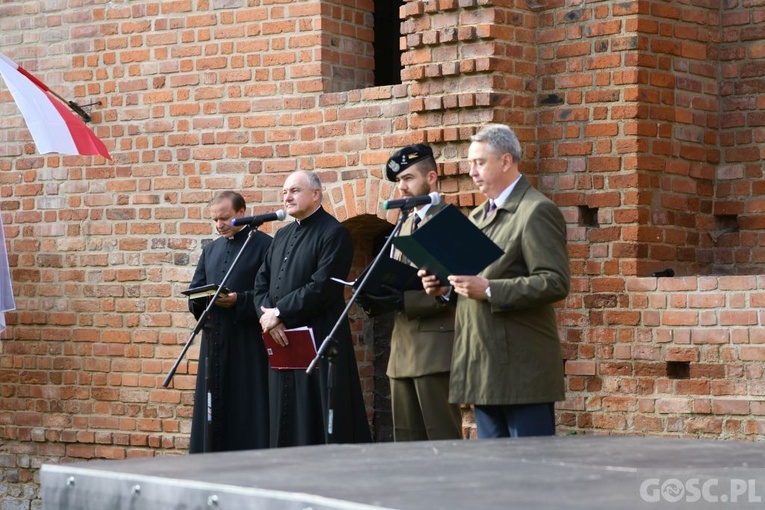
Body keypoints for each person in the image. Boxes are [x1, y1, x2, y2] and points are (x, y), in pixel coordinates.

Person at [420, 124, 570, 439]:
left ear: (505, 161)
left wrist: (488, 289)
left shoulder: (536, 211)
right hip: (484, 367)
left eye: (479, 162)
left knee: (530, 474)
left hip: (521, 371)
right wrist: (445, 288)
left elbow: (554, 281)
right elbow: (473, 280)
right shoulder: (477, 217)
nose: (471, 171)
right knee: (496, 476)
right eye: (470, 163)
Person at [254, 170, 371, 447]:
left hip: (319, 338)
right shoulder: (281, 235)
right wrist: (268, 316)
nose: (287, 197)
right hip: (280, 338)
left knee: (314, 415)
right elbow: (261, 282)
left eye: (294, 190)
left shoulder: (334, 233)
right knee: (282, 413)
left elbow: (322, 288)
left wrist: (279, 312)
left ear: (316, 194)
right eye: (284, 192)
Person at [360, 144, 462, 441]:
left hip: (436, 347)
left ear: (431, 177)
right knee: (406, 440)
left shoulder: (448, 222)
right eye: (399, 181)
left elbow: (452, 289)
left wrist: (404, 299)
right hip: (401, 348)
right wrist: (375, 294)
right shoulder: (404, 224)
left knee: (441, 437)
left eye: (409, 178)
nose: (402, 187)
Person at [187, 191, 272, 453]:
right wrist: (202, 302)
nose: (219, 225)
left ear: (241, 212)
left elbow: (270, 293)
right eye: (214, 220)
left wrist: (240, 301)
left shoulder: (265, 245)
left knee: (245, 404)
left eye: (224, 218)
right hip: (214, 339)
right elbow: (195, 290)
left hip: (247, 341)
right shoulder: (210, 250)